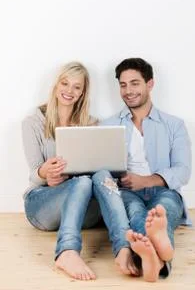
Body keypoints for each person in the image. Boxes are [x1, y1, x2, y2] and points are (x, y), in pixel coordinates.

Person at [22, 61, 137, 281]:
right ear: (56, 86)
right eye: (65, 83)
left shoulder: (92, 124)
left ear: (83, 92)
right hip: (42, 206)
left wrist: (116, 172)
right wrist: (44, 173)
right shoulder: (33, 123)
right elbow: (33, 175)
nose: (69, 91)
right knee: (83, 182)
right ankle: (67, 251)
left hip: (84, 210)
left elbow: (103, 173)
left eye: (77, 86)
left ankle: (123, 246)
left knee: (100, 175)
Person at [100, 57, 192, 282]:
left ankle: (154, 258)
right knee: (137, 214)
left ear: (149, 84)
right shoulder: (107, 125)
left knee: (163, 211)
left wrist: (147, 180)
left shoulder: (174, 125)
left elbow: (183, 171)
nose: (128, 91)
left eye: (134, 83)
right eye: (123, 85)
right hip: (127, 192)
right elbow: (101, 169)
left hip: (164, 190)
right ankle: (161, 261)